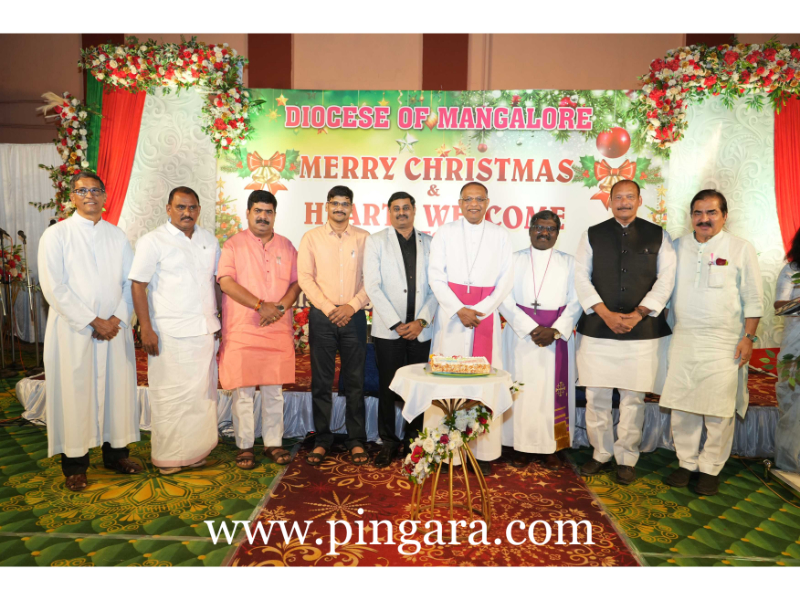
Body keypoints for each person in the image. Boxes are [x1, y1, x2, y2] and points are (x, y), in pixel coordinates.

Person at [38, 171, 142, 491]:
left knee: (116, 392)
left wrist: (116, 319)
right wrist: (93, 320)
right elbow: (54, 287)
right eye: (82, 191)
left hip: (114, 330)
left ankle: (117, 454)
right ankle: (75, 465)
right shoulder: (56, 235)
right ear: (72, 197)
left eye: (96, 190)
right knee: (75, 394)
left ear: (105, 196)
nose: (90, 196)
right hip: (75, 331)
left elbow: (130, 282)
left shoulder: (117, 236)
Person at [660, 190, 763, 495]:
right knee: (683, 406)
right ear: (691, 216)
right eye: (698, 213)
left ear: (724, 215)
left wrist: (748, 338)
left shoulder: (740, 248)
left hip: (724, 341)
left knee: (718, 409)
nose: (704, 219)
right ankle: (686, 463)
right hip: (683, 337)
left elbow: (753, 298)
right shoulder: (677, 247)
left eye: (711, 212)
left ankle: (710, 469)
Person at [575, 179, 676, 485]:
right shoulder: (592, 234)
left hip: (641, 330)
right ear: (609, 201)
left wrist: (638, 314)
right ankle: (600, 453)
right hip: (598, 328)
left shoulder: (658, 235)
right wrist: (605, 314)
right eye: (618, 197)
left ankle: (627, 457)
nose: (624, 202)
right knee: (596, 396)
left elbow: (666, 279)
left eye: (630, 196)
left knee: (633, 399)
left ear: (639, 200)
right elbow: (580, 277)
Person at [129, 186, 221, 475]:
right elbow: (138, 285)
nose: (187, 212)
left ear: (199, 210)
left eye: (192, 207)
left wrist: (220, 320)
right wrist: (146, 328)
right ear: (168, 209)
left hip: (204, 330)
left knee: (201, 396)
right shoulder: (152, 241)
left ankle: (194, 451)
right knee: (170, 397)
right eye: (180, 207)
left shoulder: (209, 240)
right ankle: (168, 456)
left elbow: (216, 283)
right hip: (169, 332)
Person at [427, 181, 514, 475]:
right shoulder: (445, 232)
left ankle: (481, 452)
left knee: (482, 384)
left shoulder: (500, 236)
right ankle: (446, 452)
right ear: (460, 203)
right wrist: (458, 309)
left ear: (487, 202)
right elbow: (436, 276)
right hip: (452, 318)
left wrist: (481, 310)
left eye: (479, 199)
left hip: (484, 318)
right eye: (468, 199)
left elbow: (505, 280)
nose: (473, 204)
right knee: (448, 383)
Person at [217, 190, 301, 470]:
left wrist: (279, 308)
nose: (263, 217)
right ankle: (244, 445)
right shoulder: (233, 245)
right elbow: (226, 282)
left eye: (268, 212)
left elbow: (297, 283)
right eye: (258, 211)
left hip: (276, 327)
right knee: (242, 391)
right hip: (242, 328)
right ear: (248, 213)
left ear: (274, 215)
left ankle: (273, 442)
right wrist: (259, 305)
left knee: (274, 390)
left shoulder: (287, 246)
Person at [499, 210, 582, 470]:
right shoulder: (513, 260)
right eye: (539, 227)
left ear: (557, 233)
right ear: (530, 229)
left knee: (549, 393)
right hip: (520, 336)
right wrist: (530, 327)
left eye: (550, 229)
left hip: (555, 339)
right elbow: (503, 297)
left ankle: (550, 447)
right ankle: (518, 445)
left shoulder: (570, 263)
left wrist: (555, 330)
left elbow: (577, 301)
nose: (544, 233)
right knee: (521, 392)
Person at [364, 191, 439, 468]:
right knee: (388, 386)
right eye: (395, 209)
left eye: (406, 208)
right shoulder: (376, 241)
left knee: (418, 387)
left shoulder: (430, 243)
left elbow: (436, 287)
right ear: (389, 212)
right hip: (389, 330)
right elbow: (372, 285)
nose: (401, 213)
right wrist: (396, 323)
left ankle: (413, 441)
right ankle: (388, 441)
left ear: (414, 210)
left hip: (420, 330)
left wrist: (421, 321)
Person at [297, 185, 370, 467]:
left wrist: (352, 306)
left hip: (354, 316)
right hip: (322, 316)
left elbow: (371, 279)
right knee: (321, 381)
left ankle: (356, 439)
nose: (340, 208)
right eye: (335, 203)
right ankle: (322, 439)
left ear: (351, 208)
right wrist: (330, 309)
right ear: (326, 206)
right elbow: (305, 278)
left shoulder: (364, 238)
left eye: (345, 203)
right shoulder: (311, 238)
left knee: (355, 381)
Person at [775, 226, 800, 473]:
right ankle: (789, 466)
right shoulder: (792, 270)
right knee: (792, 404)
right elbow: (780, 308)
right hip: (795, 349)